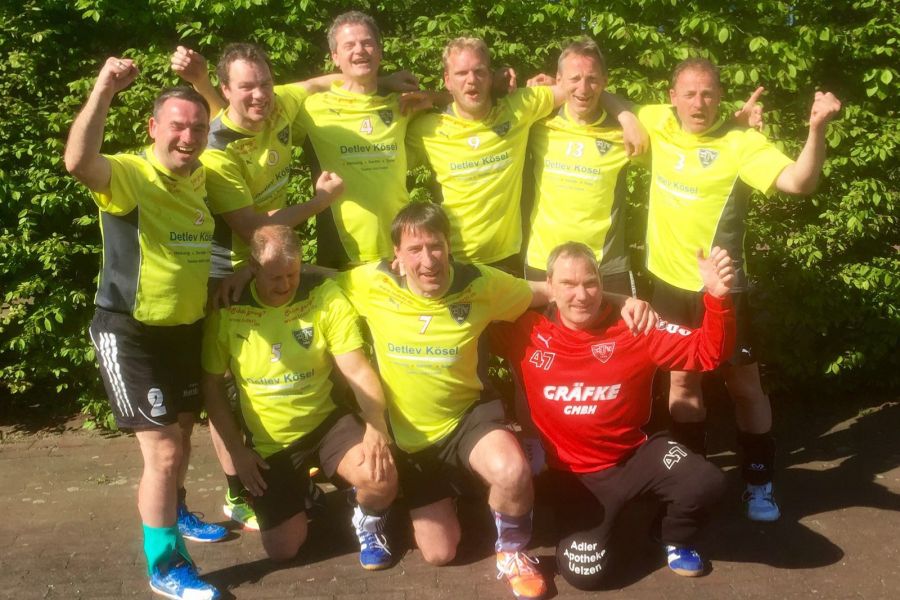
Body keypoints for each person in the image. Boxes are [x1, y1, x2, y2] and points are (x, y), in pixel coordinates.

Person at [338, 203, 655, 599]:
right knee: (439, 553)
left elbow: (554, 289)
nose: (428, 260)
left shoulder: (480, 282)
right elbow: (312, 283)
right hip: (412, 439)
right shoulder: (370, 282)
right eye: (415, 250)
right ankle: (444, 494)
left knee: (512, 471)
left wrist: (623, 300)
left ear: (449, 247)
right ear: (397, 257)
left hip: (468, 417)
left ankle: (512, 553)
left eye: (436, 246)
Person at [638, 57, 842, 520]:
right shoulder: (656, 122)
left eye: (708, 94)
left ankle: (758, 482)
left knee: (744, 385)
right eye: (689, 94)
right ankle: (691, 483)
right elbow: (603, 103)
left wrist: (816, 129)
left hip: (723, 289)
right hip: (668, 285)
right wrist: (545, 89)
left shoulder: (742, 142)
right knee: (682, 383)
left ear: (720, 97)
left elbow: (800, 182)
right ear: (671, 97)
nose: (698, 103)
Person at [172, 42, 347, 531]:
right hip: (228, 271)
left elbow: (320, 82)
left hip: (269, 261)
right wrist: (320, 202)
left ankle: (296, 472)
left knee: (296, 357)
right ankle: (238, 492)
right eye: (247, 87)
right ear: (224, 91)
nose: (260, 94)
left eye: (265, 83)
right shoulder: (218, 148)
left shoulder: (281, 102)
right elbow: (251, 226)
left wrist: (388, 82)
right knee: (226, 383)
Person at [64, 58, 221, 600]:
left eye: (198, 128)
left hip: (185, 329)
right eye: (177, 126)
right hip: (130, 331)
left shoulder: (201, 177)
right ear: (153, 127)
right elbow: (78, 162)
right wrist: (103, 89)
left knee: (182, 436)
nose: (188, 137)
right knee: (164, 452)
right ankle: (166, 566)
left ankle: (175, 511)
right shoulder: (131, 173)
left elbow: (241, 122)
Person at [492, 241, 736, 588]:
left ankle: (671, 535)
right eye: (568, 284)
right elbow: (472, 305)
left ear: (602, 283)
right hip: (574, 476)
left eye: (590, 283)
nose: (581, 295)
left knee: (706, 482)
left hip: (632, 457)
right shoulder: (525, 330)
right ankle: (620, 516)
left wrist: (718, 298)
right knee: (585, 576)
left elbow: (709, 353)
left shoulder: (636, 327)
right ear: (549, 286)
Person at [201, 224, 398, 569]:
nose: (285, 285)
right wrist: (237, 451)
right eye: (275, 277)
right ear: (253, 267)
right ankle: (303, 492)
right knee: (283, 550)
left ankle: (368, 526)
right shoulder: (229, 307)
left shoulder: (323, 295)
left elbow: (356, 369)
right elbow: (212, 387)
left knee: (381, 477)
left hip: (328, 422)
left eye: (292, 274)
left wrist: (375, 424)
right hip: (272, 442)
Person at [407, 37, 646, 274]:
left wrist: (625, 116)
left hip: (508, 258)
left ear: (490, 76)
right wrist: (430, 96)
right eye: (461, 73)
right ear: (447, 80)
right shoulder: (427, 129)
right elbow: (390, 169)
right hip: (451, 259)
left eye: (479, 72)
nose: (471, 80)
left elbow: (579, 90)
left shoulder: (519, 107)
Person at [297, 10, 423, 268]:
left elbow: (457, 102)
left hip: (401, 245)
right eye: (349, 45)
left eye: (367, 43)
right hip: (342, 250)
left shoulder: (402, 104)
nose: (360, 50)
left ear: (379, 51)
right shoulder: (311, 108)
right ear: (335, 57)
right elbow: (263, 104)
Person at [524, 38, 639, 295]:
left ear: (605, 81)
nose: (583, 88)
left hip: (603, 266)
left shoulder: (624, 131)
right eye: (574, 79)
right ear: (559, 80)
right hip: (543, 261)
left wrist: (627, 117)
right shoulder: (537, 122)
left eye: (592, 79)